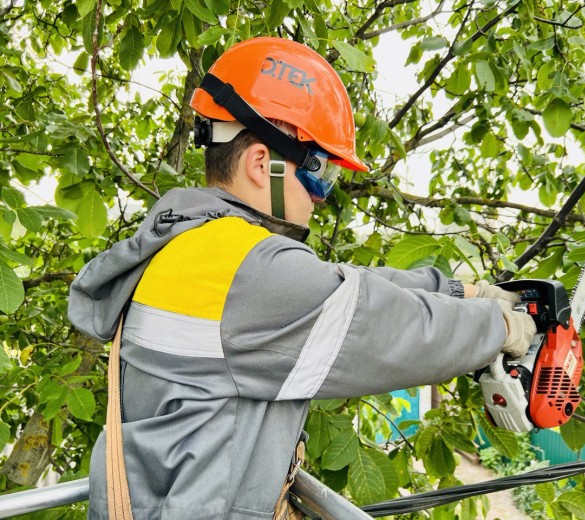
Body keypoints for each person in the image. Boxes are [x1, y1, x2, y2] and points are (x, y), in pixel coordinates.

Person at [68, 36, 536, 520]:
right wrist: (501, 327)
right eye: (318, 175)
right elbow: (390, 329)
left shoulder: (190, 248)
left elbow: (343, 285)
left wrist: (462, 291)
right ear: (260, 164)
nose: (320, 197)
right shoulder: (249, 272)